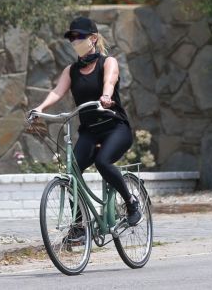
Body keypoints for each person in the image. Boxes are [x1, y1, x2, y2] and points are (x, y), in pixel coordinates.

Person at [30, 16, 142, 227]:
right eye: (72, 38)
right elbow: (57, 91)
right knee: (71, 173)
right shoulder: (70, 70)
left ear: (93, 38)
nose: (75, 41)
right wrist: (40, 108)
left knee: (102, 162)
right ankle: (80, 226)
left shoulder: (108, 62)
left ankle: (131, 202)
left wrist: (107, 96)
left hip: (115, 128)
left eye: (79, 36)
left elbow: (109, 80)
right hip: (90, 131)